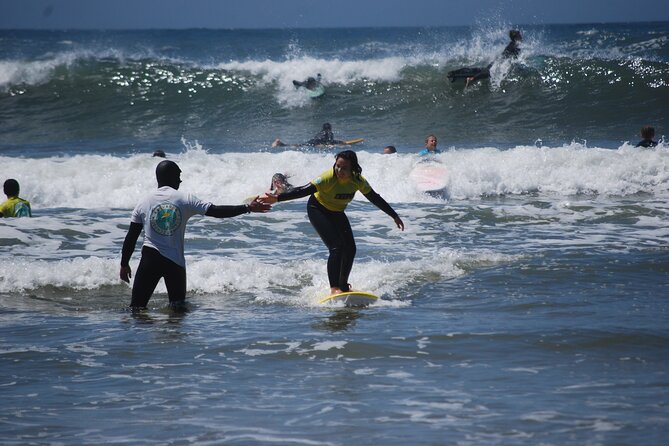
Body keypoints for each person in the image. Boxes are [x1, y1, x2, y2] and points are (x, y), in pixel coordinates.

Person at [120, 160, 271, 310]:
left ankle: (139, 333)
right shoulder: (184, 198)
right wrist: (247, 208)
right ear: (171, 176)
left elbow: (131, 236)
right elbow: (216, 211)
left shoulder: (143, 202)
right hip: (174, 263)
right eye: (178, 175)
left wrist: (124, 264)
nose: (180, 180)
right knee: (178, 310)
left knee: (137, 309)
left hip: (150, 259)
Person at [259, 150, 404, 295]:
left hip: (337, 212)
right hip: (317, 209)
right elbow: (304, 191)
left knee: (350, 249)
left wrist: (394, 215)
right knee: (336, 248)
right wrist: (278, 199)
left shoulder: (357, 181)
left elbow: (374, 197)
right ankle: (334, 288)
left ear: (353, 168)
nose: (339, 170)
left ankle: (343, 286)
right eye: (337, 166)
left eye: (344, 168)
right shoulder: (327, 178)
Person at [272, 122, 344, 148]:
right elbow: (330, 142)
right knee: (300, 146)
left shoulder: (321, 132)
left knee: (300, 145)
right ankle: (281, 144)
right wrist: (340, 142)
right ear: (330, 128)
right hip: (316, 143)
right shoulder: (329, 133)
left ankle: (281, 144)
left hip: (313, 141)